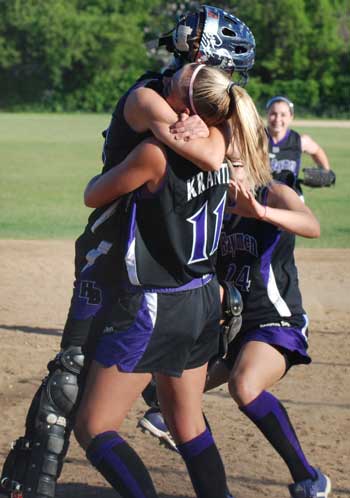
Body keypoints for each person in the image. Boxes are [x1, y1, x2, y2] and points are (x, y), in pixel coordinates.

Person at [0, 7, 256, 498]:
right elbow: (210, 148)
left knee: (88, 417)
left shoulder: (171, 147)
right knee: (186, 421)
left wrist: (175, 135)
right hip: (198, 289)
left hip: (148, 290)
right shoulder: (192, 117)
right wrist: (215, 139)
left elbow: (98, 191)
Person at [74, 62, 271, 498]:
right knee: (186, 422)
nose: (164, 89)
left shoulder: (153, 156)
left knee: (94, 425)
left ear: (186, 107)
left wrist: (158, 135)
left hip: (154, 304)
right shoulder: (222, 143)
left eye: (173, 89)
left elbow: (93, 194)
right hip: (203, 298)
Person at [139, 160, 332, 498]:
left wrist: (260, 211)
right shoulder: (212, 206)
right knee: (165, 399)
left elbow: (311, 225)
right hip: (230, 330)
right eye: (224, 162)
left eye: (237, 161)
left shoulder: (271, 191)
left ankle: (308, 478)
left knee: (244, 386)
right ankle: (216, 489)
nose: (230, 167)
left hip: (275, 322)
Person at [266, 95, 334, 196]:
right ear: (267, 114)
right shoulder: (256, 139)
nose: (277, 119)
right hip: (263, 196)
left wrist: (326, 170)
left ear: (291, 117)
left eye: (283, 115)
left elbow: (317, 151)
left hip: (292, 195)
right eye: (273, 114)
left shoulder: (300, 141)